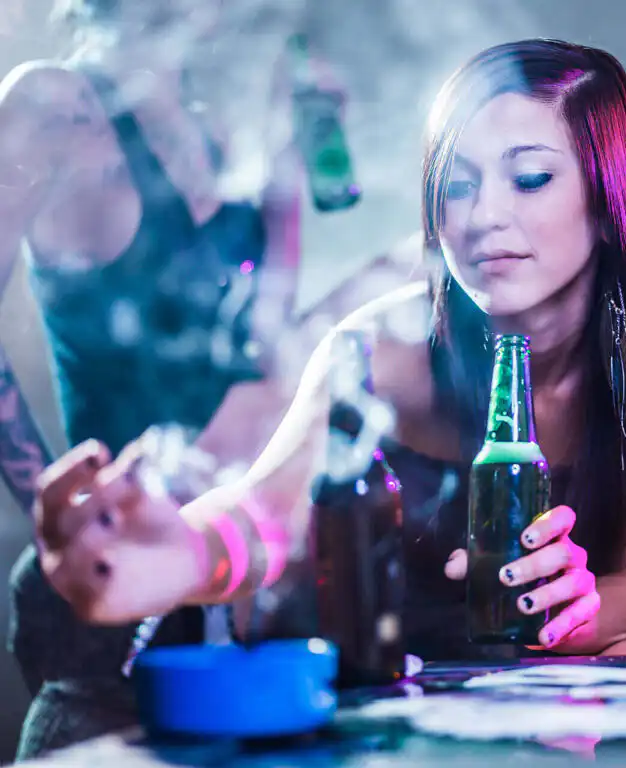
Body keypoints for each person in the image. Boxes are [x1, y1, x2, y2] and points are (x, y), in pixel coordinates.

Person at [32, 39, 626, 664]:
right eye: (457, 184)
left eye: (529, 178)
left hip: (558, 667)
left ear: (607, 191)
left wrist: (558, 615)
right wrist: (179, 556)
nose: (481, 217)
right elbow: (260, 514)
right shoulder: (381, 347)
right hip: (384, 678)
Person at [0, 0, 419, 758]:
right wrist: (56, 507)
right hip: (113, 578)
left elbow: (262, 342)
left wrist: (291, 166)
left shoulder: (215, 123)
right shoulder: (55, 106)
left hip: (234, 559)